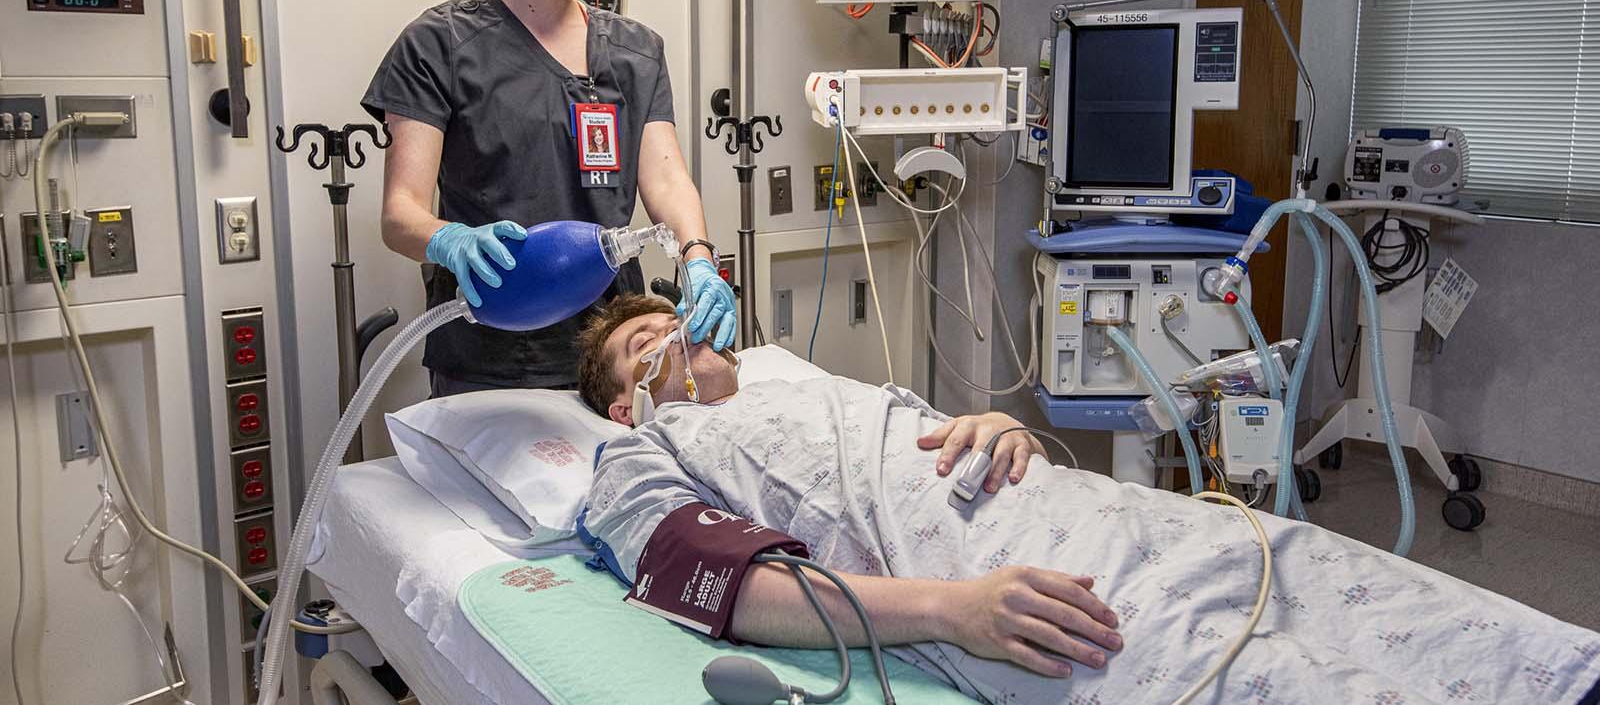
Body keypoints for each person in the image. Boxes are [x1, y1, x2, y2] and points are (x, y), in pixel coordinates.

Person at [575, 294, 1600, 704]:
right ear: (623, 400)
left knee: (1357, 582)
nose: (675, 328)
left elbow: (941, 443)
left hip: (1116, 514)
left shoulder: (814, 382)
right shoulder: (642, 454)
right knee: (1269, 678)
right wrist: (950, 613)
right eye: (642, 341)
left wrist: (1002, 425)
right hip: (1025, 592)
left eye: (677, 311)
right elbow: (726, 586)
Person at [363, 0, 734, 398]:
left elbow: (664, 177)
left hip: (612, 352)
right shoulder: (441, 44)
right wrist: (450, 240)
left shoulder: (636, 50)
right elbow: (400, 214)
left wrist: (699, 258)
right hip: (490, 349)